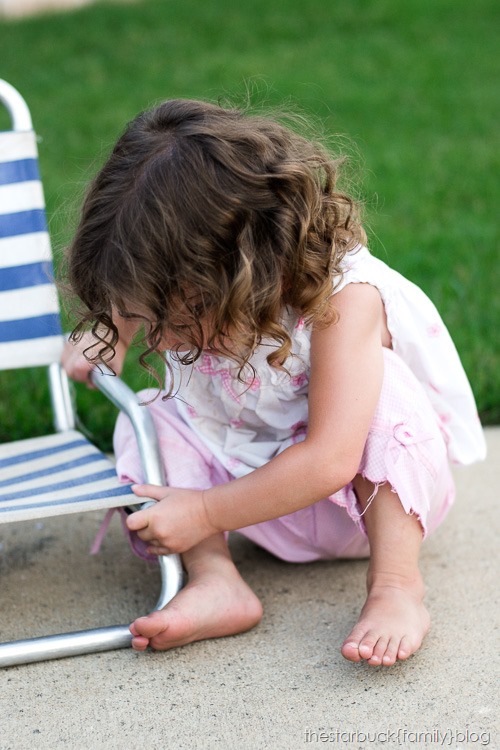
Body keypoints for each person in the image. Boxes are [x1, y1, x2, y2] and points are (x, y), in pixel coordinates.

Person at [62, 99, 486, 667]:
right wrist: (113, 325)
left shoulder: (346, 300)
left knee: (386, 394)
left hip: (361, 505)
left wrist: (208, 512)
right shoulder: (206, 283)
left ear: (237, 275)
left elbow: (331, 460)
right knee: (146, 417)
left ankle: (395, 587)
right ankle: (215, 580)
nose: (158, 342)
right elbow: (146, 285)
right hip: (259, 500)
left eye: (173, 321)